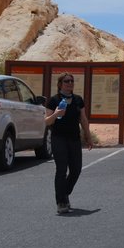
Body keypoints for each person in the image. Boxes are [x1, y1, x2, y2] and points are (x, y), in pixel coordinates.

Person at [45, 74, 93, 214]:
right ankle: (61, 202)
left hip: (74, 139)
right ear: (60, 84)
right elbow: (47, 121)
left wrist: (88, 137)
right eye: (66, 81)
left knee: (76, 170)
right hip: (58, 138)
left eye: (72, 81)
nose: (70, 83)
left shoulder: (78, 100)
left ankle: (64, 193)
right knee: (61, 170)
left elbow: (83, 119)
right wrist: (56, 114)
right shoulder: (54, 100)